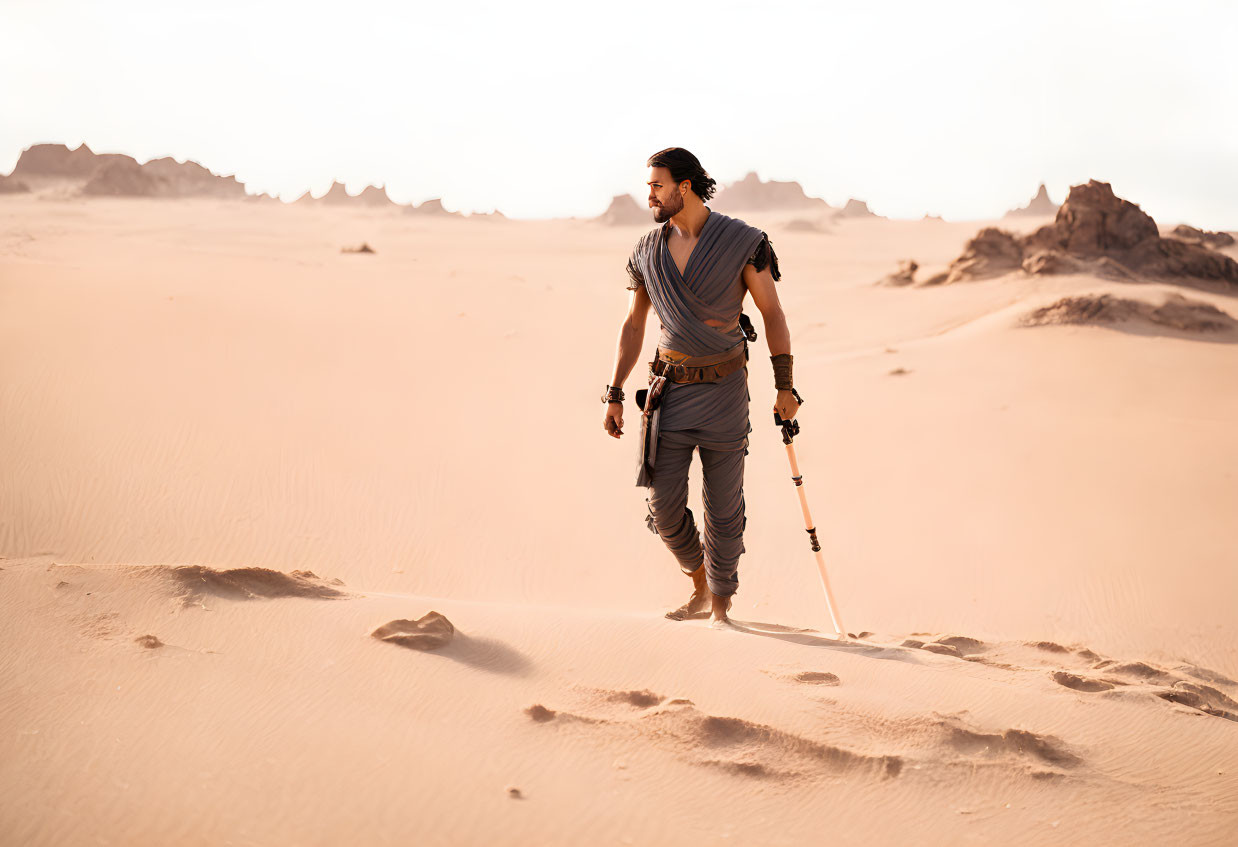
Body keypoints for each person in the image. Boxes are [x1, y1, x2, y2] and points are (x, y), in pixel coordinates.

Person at [602, 147, 802, 625]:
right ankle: (698, 581)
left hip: (725, 393)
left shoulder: (743, 242)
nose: (649, 193)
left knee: (724, 510)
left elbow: (772, 314)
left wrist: (785, 386)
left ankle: (720, 608)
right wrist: (613, 392)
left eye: (656, 185)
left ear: (684, 186)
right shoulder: (647, 252)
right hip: (668, 395)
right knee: (664, 510)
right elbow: (633, 326)